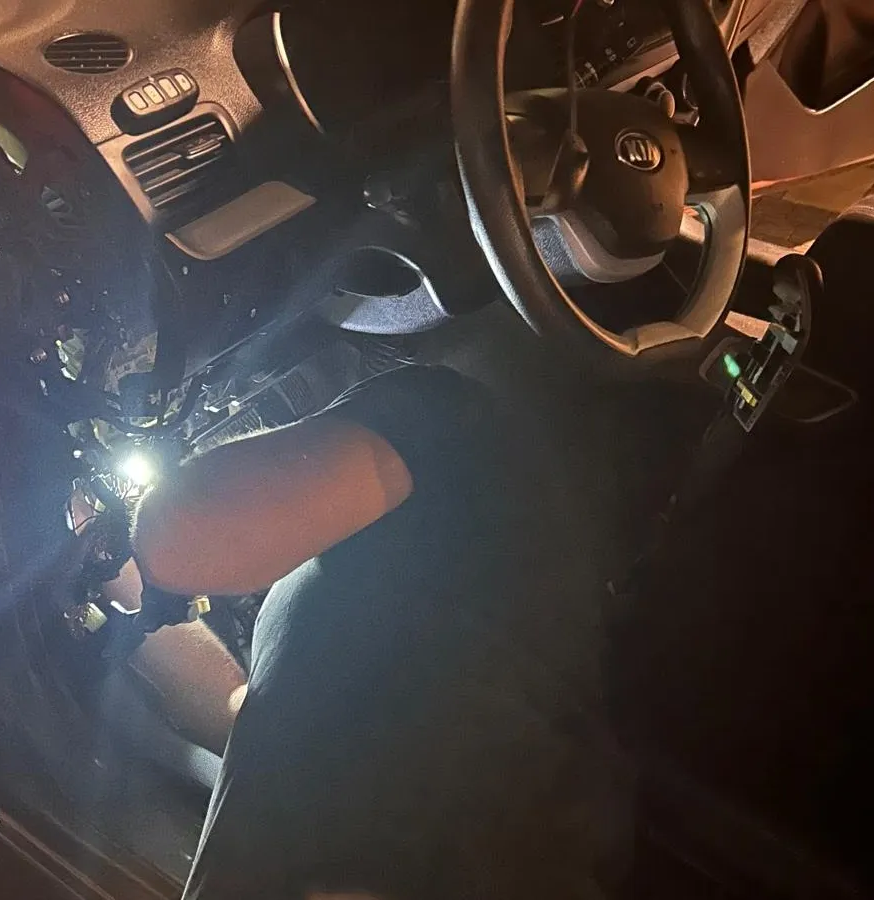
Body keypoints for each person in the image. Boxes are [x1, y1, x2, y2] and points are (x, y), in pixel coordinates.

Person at [133, 363, 631, 900]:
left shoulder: (461, 433)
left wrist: (108, 491)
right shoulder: (439, 613)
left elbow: (179, 535)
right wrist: (120, 579)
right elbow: (246, 713)